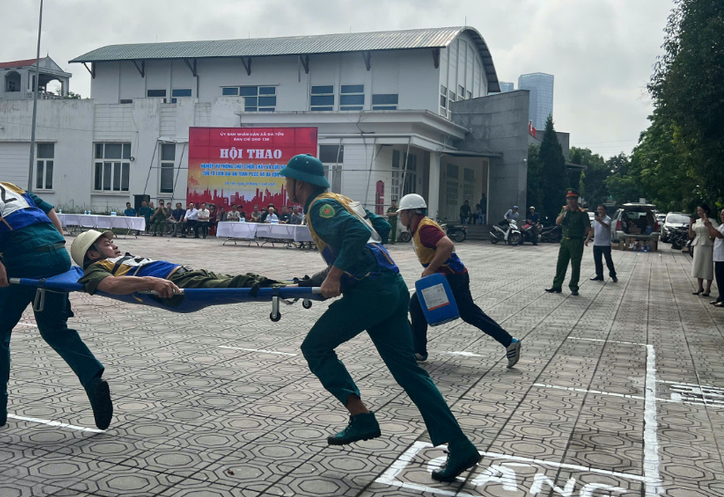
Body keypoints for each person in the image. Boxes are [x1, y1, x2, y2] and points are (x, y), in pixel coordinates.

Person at [279, 154, 481, 483]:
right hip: (391, 286)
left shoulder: (319, 207)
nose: (285, 185)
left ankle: (361, 417)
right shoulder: (341, 200)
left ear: (299, 182)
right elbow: (380, 228)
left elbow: (357, 233)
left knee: (315, 347)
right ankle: (460, 445)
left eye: (287, 179)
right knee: (410, 373)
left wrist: (335, 276)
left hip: (371, 292)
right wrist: (314, 281)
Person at [0, 172, 112, 429]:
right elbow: (49, 211)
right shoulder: (6, 186)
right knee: (55, 328)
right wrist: (57, 248)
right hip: (56, 256)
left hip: (21, 260)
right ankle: (92, 378)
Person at [398, 193, 521, 367]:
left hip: (450, 277)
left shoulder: (425, 228)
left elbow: (447, 245)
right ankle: (510, 342)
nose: (400, 217)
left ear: (412, 213)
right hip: (456, 275)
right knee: (469, 313)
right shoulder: (419, 227)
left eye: (402, 213)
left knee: (416, 304)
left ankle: (419, 350)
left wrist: (431, 268)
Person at [71, 230, 282, 300]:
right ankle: (287, 288)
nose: (114, 245)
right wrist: (152, 282)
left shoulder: (116, 260)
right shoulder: (96, 269)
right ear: (92, 254)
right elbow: (110, 285)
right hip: (177, 282)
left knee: (238, 280)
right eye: (107, 244)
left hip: (188, 274)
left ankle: (290, 285)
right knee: (238, 284)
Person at [545, 189, 591, 296]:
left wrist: (580, 235)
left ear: (576, 200)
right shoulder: (564, 211)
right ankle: (557, 285)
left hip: (576, 241)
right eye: (568, 199)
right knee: (561, 264)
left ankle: (574, 287)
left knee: (575, 265)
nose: (570, 201)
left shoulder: (582, 213)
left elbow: (588, 228)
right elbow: (557, 222)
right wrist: (564, 212)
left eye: (572, 199)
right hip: (565, 240)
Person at [689, 204, 715, 296]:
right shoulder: (697, 221)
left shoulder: (712, 221)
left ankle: (708, 288)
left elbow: (715, 233)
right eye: (698, 211)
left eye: (701, 210)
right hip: (698, 243)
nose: (699, 212)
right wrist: (690, 224)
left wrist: (708, 224)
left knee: (707, 265)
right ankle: (700, 287)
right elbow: (691, 235)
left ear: (706, 211)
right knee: (698, 264)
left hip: (707, 244)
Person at [588, 204, 617, 283]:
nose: (599, 211)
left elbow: (606, 226)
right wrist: (587, 239)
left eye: (601, 209)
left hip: (605, 244)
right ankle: (599, 275)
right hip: (596, 243)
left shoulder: (608, 219)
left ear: (605, 210)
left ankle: (613, 274)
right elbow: (592, 230)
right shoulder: (595, 220)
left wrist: (599, 221)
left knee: (608, 260)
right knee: (597, 260)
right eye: (598, 209)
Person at [707, 209, 724, 307]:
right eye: (721, 214)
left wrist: (710, 226)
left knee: (722, 279)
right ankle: (720, 297)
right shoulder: (721, 226)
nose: (722, 216)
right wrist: (709, 227)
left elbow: (719, 235)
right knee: (719, 278)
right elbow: (712, 234)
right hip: (718, 256)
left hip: (722, 257)